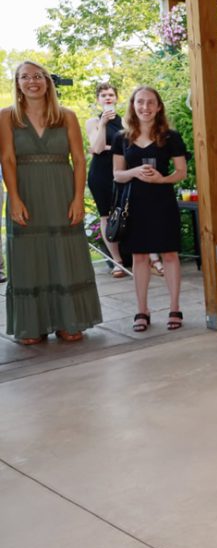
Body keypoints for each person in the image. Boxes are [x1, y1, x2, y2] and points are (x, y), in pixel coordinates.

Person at [1, 61, 102, 344]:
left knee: (65, 254)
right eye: (24, 77)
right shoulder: (7, 116)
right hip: (26, 194)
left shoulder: (66, 116)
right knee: (28, 257)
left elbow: (80, 160)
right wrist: (15, 198)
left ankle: (68, 321)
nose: (32, 81)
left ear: (47, 82)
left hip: (61, 193)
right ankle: (32, 325)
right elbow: (7, 159)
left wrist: (78, 199)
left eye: (37, 76)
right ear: (17, 84)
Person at [111, 87, 188, 332]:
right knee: (140, 257)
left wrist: (161, 179)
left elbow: (181, 172)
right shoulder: (121, 138)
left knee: (170, 254)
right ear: (133, 105)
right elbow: (117, 175)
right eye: (140, 102)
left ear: (158, 107)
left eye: (150, 103)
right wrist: (134, 172)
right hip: (134, 202)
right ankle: (142, 310)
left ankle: (174, 307)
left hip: (162, 200)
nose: (145, 107)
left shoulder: (170, 136)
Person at [85, 82, 127, 277]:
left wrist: (107, 148)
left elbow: (132, 148)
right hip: (100, 173)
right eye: (103, 95)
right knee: (106, 216)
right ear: (98, 100)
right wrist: (102, 124)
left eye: (111, 94)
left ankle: (144, 257)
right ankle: (117, 260)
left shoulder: (127, 121)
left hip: (123, 171)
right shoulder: (92, 122)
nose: (108, 98)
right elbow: (98, 147)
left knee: (131, 211)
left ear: (116, 98)